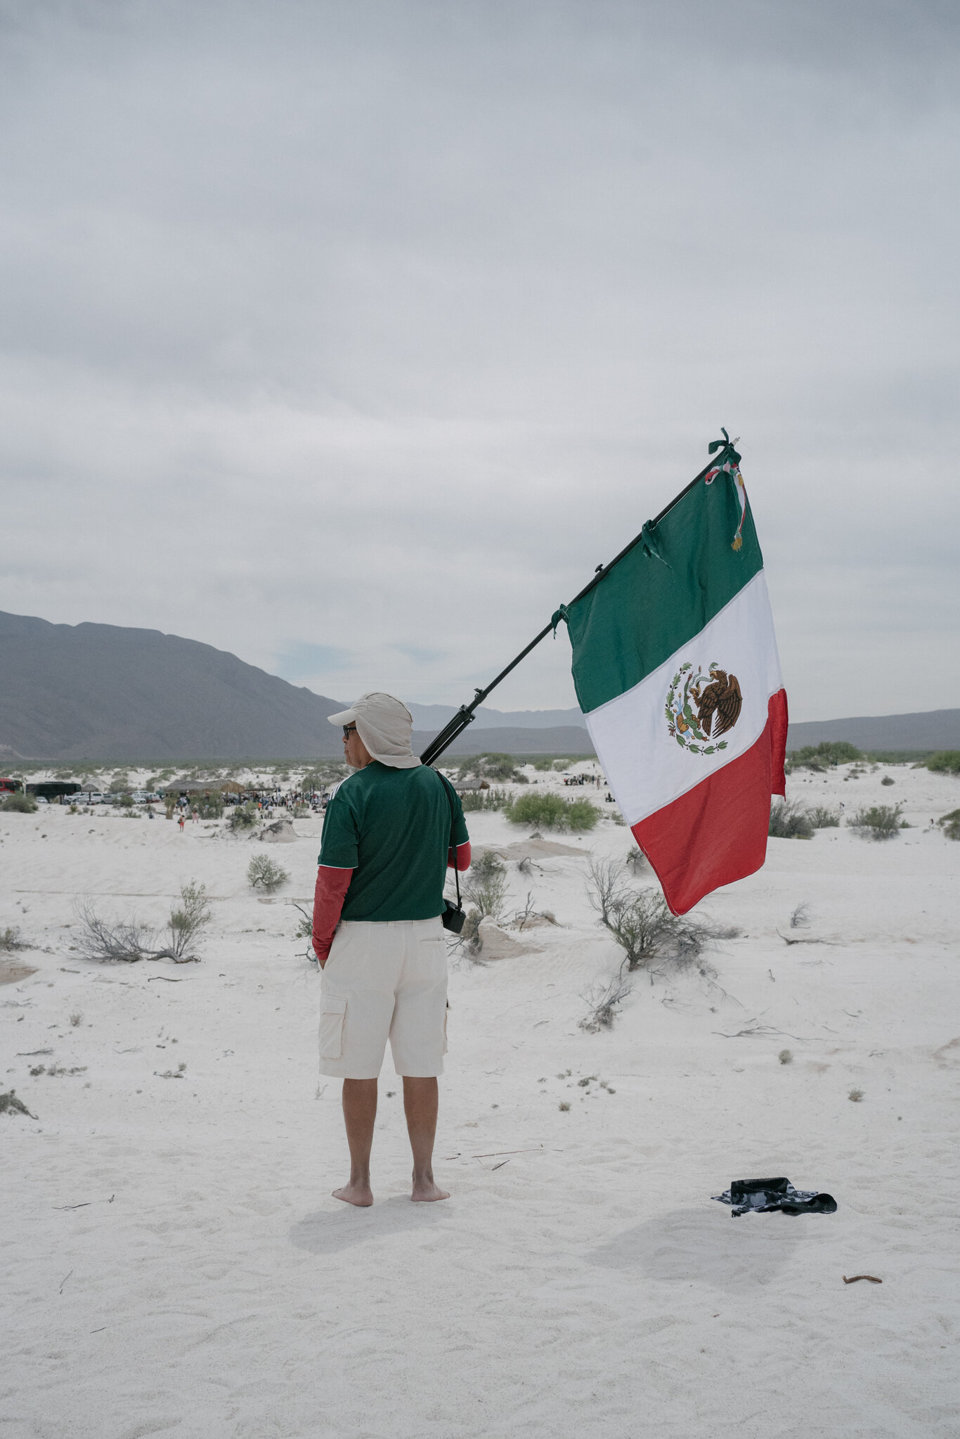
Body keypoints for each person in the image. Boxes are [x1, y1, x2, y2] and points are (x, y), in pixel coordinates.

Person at [312, 692, 470, 1207]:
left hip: (363, 942)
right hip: (425, 940)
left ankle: (360, 1184)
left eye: (350, 730)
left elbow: (333, 883)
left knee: (359, 1065)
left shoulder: (351, 794)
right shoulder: (439, 786)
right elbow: (460, 859)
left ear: (372, 737)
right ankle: (424, 1181)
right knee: (421, 1063)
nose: (343, 740)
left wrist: (322, 944)